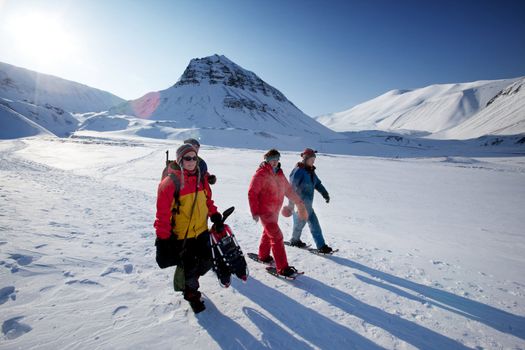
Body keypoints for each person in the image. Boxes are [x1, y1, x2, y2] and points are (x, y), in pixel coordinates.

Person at [154, 143, 223, 313]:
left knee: (207, 262)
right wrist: (163, 239)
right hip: (183, 236)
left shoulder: (201, 179)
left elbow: (207, 201)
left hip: (201, 231)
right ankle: (191, 293)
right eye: (187, 158)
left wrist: (214, 214)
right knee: (191, 267)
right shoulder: (169, 183)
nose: (192, 161)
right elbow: (162, 215)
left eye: (194, 158)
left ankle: (188, 280)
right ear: (180, 160)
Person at [248, 149, 308, 277]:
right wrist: (255, 211)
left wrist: (299, 202)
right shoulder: (261, 174)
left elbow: (288, 190)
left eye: (277, 160)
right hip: (265, 212)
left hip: (274, 210)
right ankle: (283, 268)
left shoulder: (279, 173)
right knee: (277, 236)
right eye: (272, 160)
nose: (275, 163)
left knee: (268, 232)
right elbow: (252, 193)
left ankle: (263, 256)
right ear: (267, 160)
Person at [285, 148, 333, 254]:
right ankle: (294, 241)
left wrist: (325, 194)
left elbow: (318, 184)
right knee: (299, 225)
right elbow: (291, 188)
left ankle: (321, 246)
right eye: (311, 159)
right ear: (305, 159)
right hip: (300, 205)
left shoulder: (310, 172)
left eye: (314, 159)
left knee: (315, 225)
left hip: (308, 206)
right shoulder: (298, 171)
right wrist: (291, 205)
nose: (313, 161)